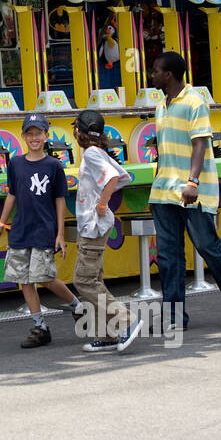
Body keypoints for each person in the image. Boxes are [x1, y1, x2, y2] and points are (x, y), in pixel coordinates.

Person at [148, 51, 221, 331]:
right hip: (164, 192)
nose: (152, 75)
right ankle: (175, 316)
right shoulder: (160, 106)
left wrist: (192, 183)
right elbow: (163, 151)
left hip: (192, 190)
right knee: (168, 257)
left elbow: (200, 145)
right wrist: (156, 188)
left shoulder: (195, 101)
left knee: (207, 247)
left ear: (168, 75)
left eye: (155, 70)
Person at [0, 113, 85, 348]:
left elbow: (60, 200)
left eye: (38, 133)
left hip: (44, 229)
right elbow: (12, 194)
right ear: (23, 137)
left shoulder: (54, 166)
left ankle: (78, 307)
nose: (34, 138)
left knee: (45, 277)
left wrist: (60, 233)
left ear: (46, 136)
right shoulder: (15, 163)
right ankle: (39, 325)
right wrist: (1, 225)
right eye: (29, 134)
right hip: (20, 229)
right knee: (24, 280)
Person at [71, 110, 145, 353]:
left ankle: (127, 321)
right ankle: (106, 335)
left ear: (78, 131)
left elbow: (113, 177)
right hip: (95, 224)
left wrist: (101, 204)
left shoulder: (91, 153)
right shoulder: (98, 151)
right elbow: (124, 176)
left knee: (84, 280)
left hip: (93, 225)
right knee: (95, 280)